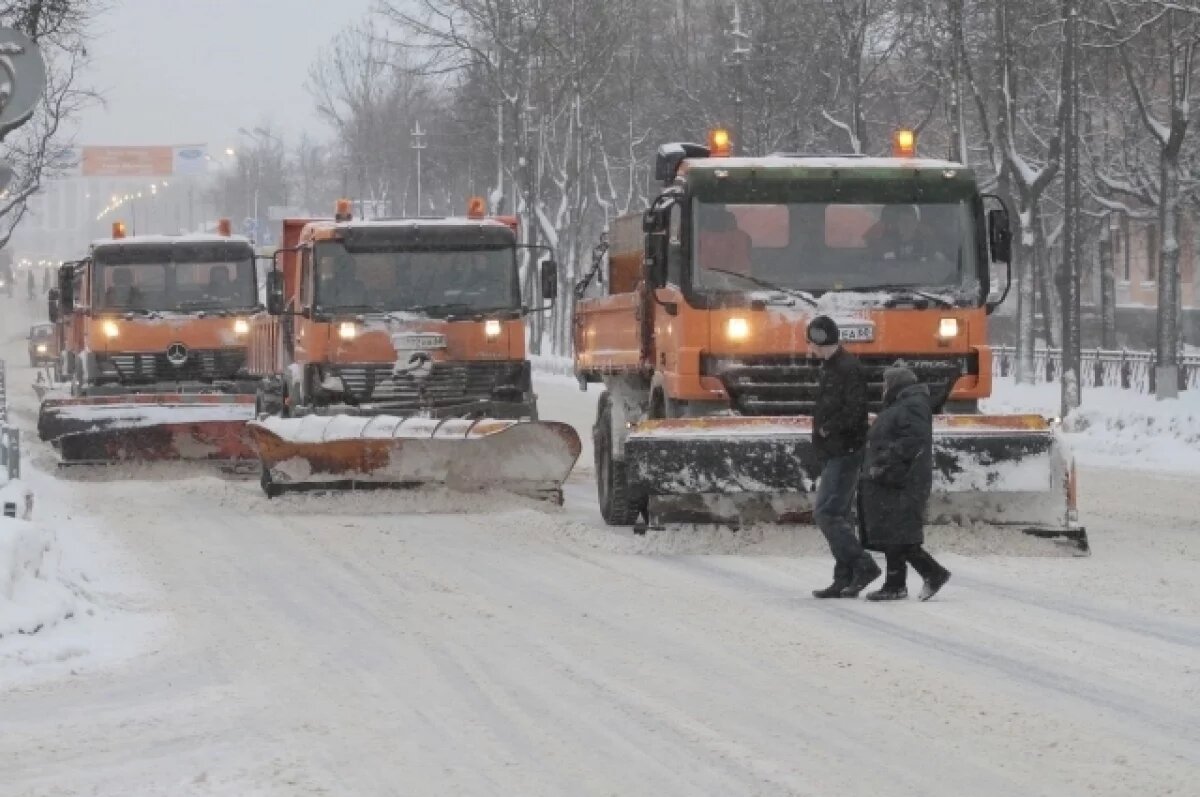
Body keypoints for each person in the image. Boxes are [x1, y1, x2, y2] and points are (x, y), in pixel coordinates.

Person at [858, 364, 952, 601]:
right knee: (893, 532)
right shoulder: (905, 404)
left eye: (886, 384)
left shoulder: (911, 406)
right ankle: (895, 584)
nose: (883, 389)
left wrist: (887, 459)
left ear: (896, 384)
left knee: (901, 535)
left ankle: (933, 573)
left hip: (903, 479)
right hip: (895, 477)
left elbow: (912, 441)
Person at [807, 315, 882, 598]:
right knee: (839, 515)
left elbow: (855, 411)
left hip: (844, 449)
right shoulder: (830, 367)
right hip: (834, 449)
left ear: (820, 339)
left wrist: (828, 429)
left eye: (810, 341)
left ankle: (864, 565)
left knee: (825, 513)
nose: (809, 347)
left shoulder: (846, 368)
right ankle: (843, 577)